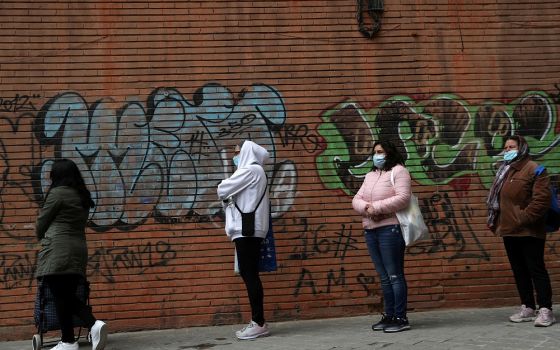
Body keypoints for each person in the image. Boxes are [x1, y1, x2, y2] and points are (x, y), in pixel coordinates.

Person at [35, 159, 108, 350]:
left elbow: (41, 224)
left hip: (58, 249)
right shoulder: (81, 195)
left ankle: (92, 324)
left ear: (57, 175)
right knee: (65, 295)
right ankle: (68, 341)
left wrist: (42, 235)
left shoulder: (57, 194)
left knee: (61, 295)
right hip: (78, 249)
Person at [487, 135, 555, 327]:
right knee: (519, 270)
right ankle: (528, 307)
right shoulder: (505, 170)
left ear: (522, 148)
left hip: (529, 230)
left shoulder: (535, 169)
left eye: (512, 147)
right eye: (506, 147)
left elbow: (541, 200)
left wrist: (522, 219)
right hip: (509, 229)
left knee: (536, 269)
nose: (508, 150)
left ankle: (546, 310)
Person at [352, 140, 412, 333]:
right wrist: (366, 209)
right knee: (384, 277)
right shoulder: (370, 175)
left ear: (389, 153)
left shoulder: (399, 172)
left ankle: (400, 318)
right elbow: (356, 199)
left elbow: (403, 198)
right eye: (375, 152)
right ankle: (388, 316)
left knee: (395, 275)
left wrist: (375, 207)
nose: (377, 155)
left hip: (390, 229)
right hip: (371, 229)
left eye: (381, 152)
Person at [217, 140, 270, 340]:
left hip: (246, 230)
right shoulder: (257, 172)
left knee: (250, 275)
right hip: (250, 229)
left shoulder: (251, 171)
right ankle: (258, 321)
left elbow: (222, 189)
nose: (235, 155)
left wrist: (225, 187)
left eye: (238, 152)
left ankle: (259, 322)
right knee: (250, 274)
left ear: (247, 152)